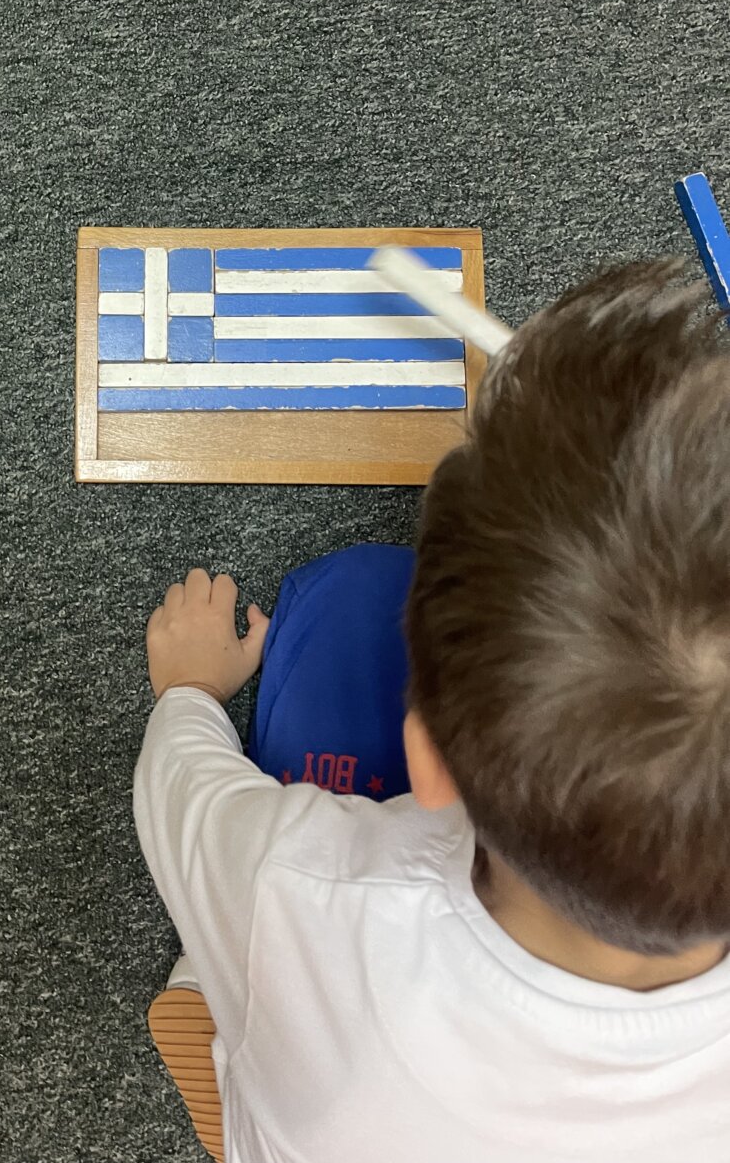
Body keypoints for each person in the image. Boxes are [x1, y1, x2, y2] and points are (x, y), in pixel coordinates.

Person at [133, 260, 730, 1163]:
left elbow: (181, 797)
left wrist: (187, 690)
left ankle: (218, 1002)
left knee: (355, 609)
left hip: (337, 1106)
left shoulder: (300, 886)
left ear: (433, 762)